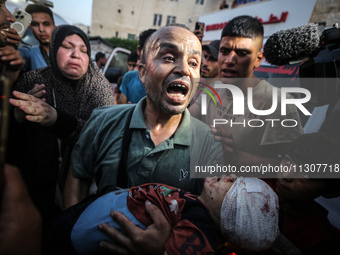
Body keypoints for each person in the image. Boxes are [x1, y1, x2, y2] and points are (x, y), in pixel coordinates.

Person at [63, 25, 223, 210]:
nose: (185, 70)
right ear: (142, 72)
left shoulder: (209, 144)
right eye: (170, 58)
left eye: (194, 63)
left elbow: (208, 214)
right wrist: (76, 231)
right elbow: (77, 178)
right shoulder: (102, 121)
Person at [7, 25, 114, 223]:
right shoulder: (32, 80)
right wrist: (18, 116)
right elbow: (10, 138)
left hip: (78, 190)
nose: (76, 55)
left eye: (83, 50)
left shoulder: (100, 88)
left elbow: (101, 139)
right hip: (34, 185)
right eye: (67, 46)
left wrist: (56, 120)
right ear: (54, 48)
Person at [46, 176, 279, 254]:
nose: (228, 176)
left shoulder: (201, 227)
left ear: (231, 214)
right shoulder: (194, 209)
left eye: (236, 185)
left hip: (80, 236)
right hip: (87, 214)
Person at [190, 15, 303, 169]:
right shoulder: (214, 88)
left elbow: (296, 166)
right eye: (224, 51)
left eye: (242, 53)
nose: (229, 60)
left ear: (258, 59)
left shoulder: (278, 102)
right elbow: (185, 121)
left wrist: (236, 157)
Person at [263, 132, 340, 255]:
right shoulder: (259, 185)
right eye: (287, 161)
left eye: (305, 174)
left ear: (329, 190)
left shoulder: (318, 240)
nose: (286, 175)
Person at [117, 28, 156, 104]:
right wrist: (127, 109)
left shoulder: (162, 81)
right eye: (148, 50)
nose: (151, 55)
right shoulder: (128, 78)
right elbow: (121, 107)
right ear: (139, 50)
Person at [19, 4, 56, 72]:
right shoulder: (28, 53)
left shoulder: (66, 53)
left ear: (55, 27)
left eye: (46, 24)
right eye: (35, 24)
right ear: (31, 29)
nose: (41, 29)